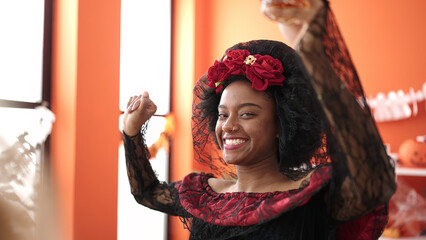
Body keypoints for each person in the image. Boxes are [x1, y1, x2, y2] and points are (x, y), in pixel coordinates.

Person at [122, 1, 396, 239]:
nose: (228, 126)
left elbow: (374, 177)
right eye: (222, 114)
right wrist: (131, 132)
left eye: (247, 114)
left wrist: (313, 51)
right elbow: (146, 191)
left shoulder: (312, 196)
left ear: (282, 124)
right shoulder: (203, 196)